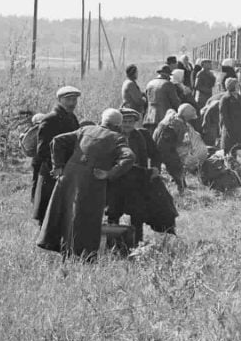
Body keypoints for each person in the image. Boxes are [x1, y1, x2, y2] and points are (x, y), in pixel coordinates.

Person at [37, 109, 135, 259]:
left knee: (64, 213)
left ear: (102, 120)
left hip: (68, 178)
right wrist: (110, 173)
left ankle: (62, 250)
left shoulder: (85, 129)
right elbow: (129, 157)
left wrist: (58, 166)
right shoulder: (117, 138)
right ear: (118, 125)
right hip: (92, 182)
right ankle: (84, 256)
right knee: (87, 219)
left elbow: (57, 140)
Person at [106, 108, 160, 245]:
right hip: (116, 180)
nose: (127, 124)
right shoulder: (112, 135)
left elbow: (152, 155)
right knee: (113, 213)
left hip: (136, 180)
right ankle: (112, 244)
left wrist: (153, 170)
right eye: (124, 121)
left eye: (131, 121)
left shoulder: (141, 136)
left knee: (137, 214)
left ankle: (137, 244)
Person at [31, 86, 81, 223]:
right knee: (47, 212)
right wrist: (58, 164)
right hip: (51, 171)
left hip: (67, 170)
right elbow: (42, 150)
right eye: (68, 99)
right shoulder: (50, 119)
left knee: (62, 212)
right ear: (59, 100)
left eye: (74, 99)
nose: (72, 103)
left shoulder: (72, 117)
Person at [153, 105, 195, 193]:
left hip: (154, 143)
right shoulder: (180, 124)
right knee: (176, 167)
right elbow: (180, 142)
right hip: (166, 147)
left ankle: (154, 189)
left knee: (155, 169)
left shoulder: (170, 117)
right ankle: (181, 189)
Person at [143, 65, 180, 131]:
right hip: (163, 118)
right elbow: (175, 102)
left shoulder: (149, 83)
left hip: (149, 117)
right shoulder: (168, 84)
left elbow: (146, 101)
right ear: (167, 75)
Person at [219, 77, 241, 154]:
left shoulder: (239, 97)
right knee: (230, 154)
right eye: (237, 85)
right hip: (231, 131)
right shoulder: (225, 99)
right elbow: (224, 116)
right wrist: (229, 130)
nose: (239, 86)